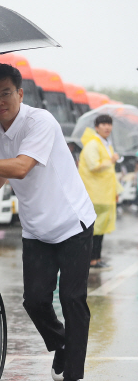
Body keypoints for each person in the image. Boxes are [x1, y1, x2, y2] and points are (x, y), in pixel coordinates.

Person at [0, 63, 96, 381]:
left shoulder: (40, 121)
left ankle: (72, 376)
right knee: (34, 301)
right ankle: (62, 343)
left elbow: (20, 166)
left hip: (71, 223)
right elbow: (1, 171)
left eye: (5, 93)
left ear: (20, 93)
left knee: (72, 298)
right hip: (36, 228)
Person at [78, 114, 121, 269]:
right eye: (103, 124)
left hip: (105, 193)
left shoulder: (106, 144)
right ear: (96, 127)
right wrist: (111, 160)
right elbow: (93, 165)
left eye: (109, 124)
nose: (107, 127)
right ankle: (91, 260)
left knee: (100, 229)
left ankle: (96, 258)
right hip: (95, 193)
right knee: (94, 229)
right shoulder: (93, 144)